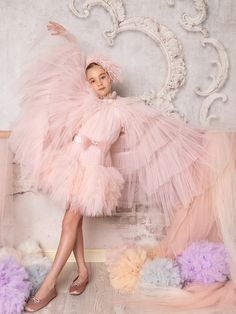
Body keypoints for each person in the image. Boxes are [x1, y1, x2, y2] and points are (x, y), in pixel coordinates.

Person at [10, 21, 236, 312]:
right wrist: (68, 37)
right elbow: (68, 71)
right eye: (93, 80)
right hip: (70, 163)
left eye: (103, 77)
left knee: (69, 221)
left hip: (93, 171)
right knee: (72, 222)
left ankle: (50, 284)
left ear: (111, 77)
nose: (99, 83)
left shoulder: (124, 109)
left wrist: (196, 138)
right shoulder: (86, 103)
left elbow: (156, 127)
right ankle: (82, 271)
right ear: (87, 84)